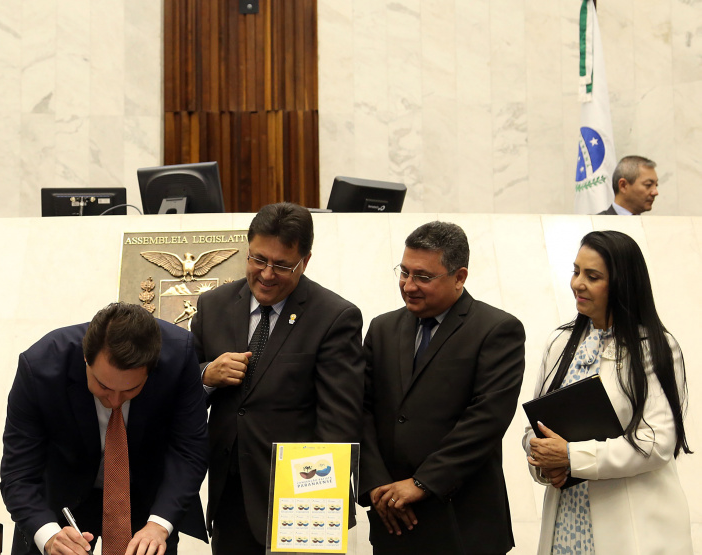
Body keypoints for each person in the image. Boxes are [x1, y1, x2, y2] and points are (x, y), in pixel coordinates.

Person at [191, 202, 364, 555]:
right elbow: (178, 390)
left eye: (283, 265)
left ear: (306, 261)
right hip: (231, 495)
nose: (267, 274)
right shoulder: (214, 306)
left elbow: (339, 422)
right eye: (258, 259)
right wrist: (207, 375)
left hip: (301, 499)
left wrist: (311, 507)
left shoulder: (335, 317)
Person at [359, 221, 526, 554]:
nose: (408, 285)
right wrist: (378, 486)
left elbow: (486, 421)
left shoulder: (497, 331)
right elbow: (361, 410)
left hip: (462, 522)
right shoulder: (382, 329)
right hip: (392, 518)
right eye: (404, 272)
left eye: (423, 276)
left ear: (459, 277)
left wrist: (423, 483)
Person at [524, 230, 692, 554]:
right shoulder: (559, 342)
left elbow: (657, 442)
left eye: (592, 276)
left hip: (632, 532)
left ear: (622, 284)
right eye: (575, 271)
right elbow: (535, 427)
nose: (577, 284)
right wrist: (546, 464)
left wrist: (573, 458)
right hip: (566, 523)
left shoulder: (654, 348)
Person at [0, 302, 209, 555]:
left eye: (131, 390)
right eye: (104, 387)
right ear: (86, 358)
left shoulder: (179, 355)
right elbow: (17, 472)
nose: (115, 401)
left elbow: (189, 451)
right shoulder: (40, 366)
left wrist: (159, 526)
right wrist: (49, 535)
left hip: (145, 501)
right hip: (59, 503)